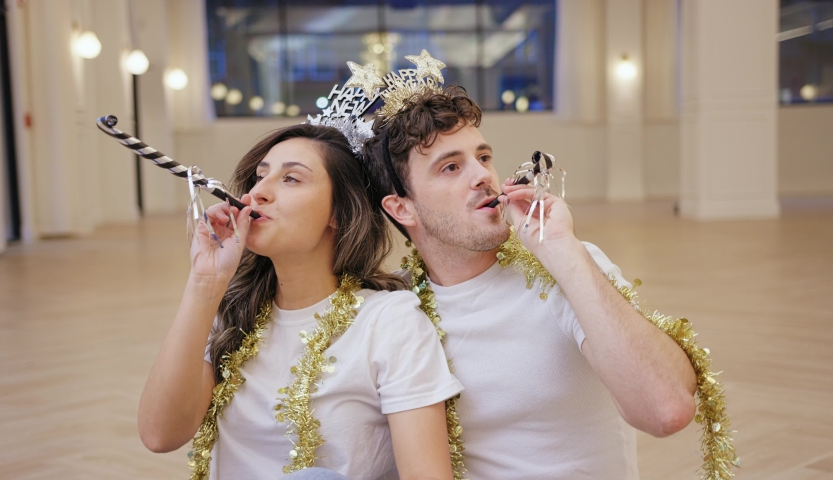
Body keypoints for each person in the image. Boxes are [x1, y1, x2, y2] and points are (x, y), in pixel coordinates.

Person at [362, 84, 699, 478]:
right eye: (451, 167)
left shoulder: (564, 268)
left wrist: (561, 250)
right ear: (402, 207)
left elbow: (666, 410)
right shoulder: (395, 307)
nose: (483, 176)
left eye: (483, 157)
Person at [138, 123, 463, 480]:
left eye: (291, 179)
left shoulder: (388, 321)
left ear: (338, 213)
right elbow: (159, 435)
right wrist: (205, 282)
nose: (259, 192)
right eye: (260, 177)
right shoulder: (235, 313)